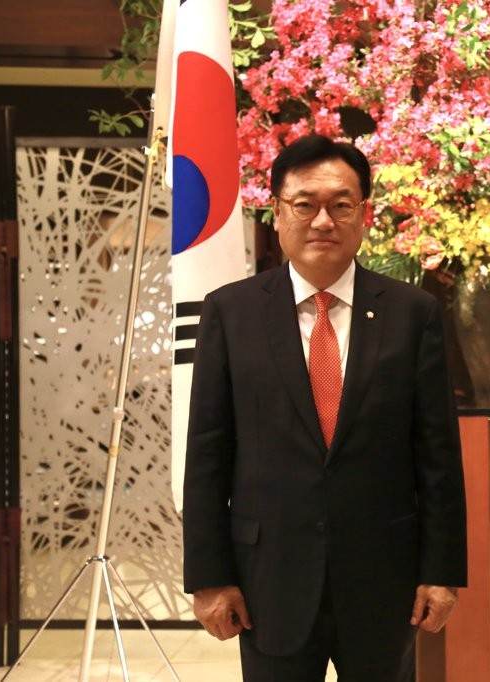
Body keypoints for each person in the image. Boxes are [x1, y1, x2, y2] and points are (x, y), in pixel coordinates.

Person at [182, 134, 467, 682]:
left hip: (385, 580)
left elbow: (437, 458)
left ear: (364, 215)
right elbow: (207, 455)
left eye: (341, 206)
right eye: (304, 205)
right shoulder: (230, 313)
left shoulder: (413, 315)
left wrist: (441, 572)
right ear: (277, 213)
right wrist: (210, 577)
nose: (322, 221)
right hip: (269, 579)